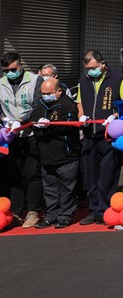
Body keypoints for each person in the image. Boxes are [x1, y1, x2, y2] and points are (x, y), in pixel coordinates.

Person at [76, 50, 123, 225]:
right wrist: (81, 116)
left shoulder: (118, 78)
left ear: (102, 64)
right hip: (89, 134)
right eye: (87, 68)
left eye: (93, 68)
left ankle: (106, 209)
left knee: (107, 175)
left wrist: (114, 116)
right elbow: (80, 102)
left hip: (109, 135)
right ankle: (94, 209)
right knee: (91, 175)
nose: (90, 71)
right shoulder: (84, 80)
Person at [30, 78, 81, 229]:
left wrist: (50, 126)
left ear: (59, 91)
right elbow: (33, 118)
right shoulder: (41, 104)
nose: (45, 96)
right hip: (46, 155)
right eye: (43, 93)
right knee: (50, 189)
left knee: (67, 189)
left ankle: (65, 215)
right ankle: (51, 215)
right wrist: (38, 124)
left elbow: (70, 125)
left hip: (66, 155)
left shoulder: (68, 104)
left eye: (49, 93)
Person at [0, 52, 44, 228]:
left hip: (31, 133)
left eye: (13, 69)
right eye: (5, 70)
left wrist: (23, 120)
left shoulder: (35, 80)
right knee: (15, 174)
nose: (10, 73)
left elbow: (39, 104)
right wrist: (4, 119)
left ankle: (33, 210)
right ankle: (17, 211)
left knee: (33, 172)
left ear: (20, 65)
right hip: (10, 135)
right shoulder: (1, 83)